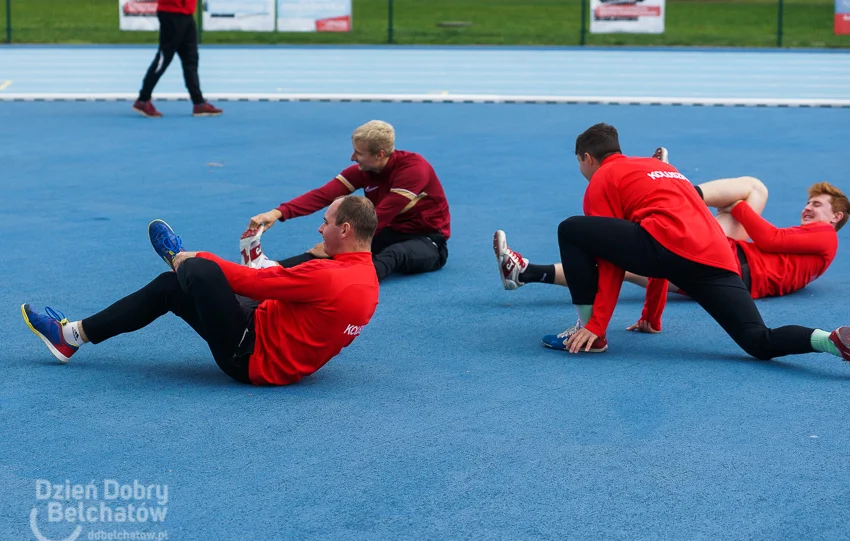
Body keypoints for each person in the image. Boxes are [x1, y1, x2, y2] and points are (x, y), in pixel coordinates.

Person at [524, 122, 850, 363]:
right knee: (757, 340)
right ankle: (830, 340)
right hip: (717, 258)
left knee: (571, 229)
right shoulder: (659, 167)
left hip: (667, 247)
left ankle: (584, 329)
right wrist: (652, 314)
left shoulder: (602, 180)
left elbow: (612, 259)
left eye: (579, 163)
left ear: (586, 158)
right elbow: (662, 244)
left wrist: (597, 326)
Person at [21, 196, 379, 386]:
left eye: (326, 222)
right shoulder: (366, 280)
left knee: (200, 270)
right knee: (171, 288)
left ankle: (178, 257)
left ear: (345, 229)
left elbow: (253, 284)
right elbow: (289, 299)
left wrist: (195, 258)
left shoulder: (329, 276)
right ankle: (72, 336)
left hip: (250, 357)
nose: (320, 229)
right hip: (274, 341)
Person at [495, 149, 847, 319]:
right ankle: (526, 273)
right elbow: (770, 246)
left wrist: (736, 209)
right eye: (809, 203)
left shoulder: (825, 238)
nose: (808, 208)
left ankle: (677, 190)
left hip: (732, 269)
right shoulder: (814, 242)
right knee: (635, 267)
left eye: (816, 205)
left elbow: (770, 240)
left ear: (837, 217)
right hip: (733, 263)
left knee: (755, 189)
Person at [242, 120, 451, 282]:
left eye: (358, 153)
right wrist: (277, 213)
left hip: (427, 240)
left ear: (379, 154)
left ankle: (356, 281)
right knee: (336, 246)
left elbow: (381, 215)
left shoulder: (414, 170)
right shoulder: (365, 169)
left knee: (391, 254)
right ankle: (273, 269)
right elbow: (322, 195)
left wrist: (340, 243)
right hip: (388, 232)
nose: (352, 157)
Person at [132, 0, 222, 118]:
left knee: (191, 59)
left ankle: (198, 102)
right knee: (164, 59)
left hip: (187, 13)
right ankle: (143, 100)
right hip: (172, 13)